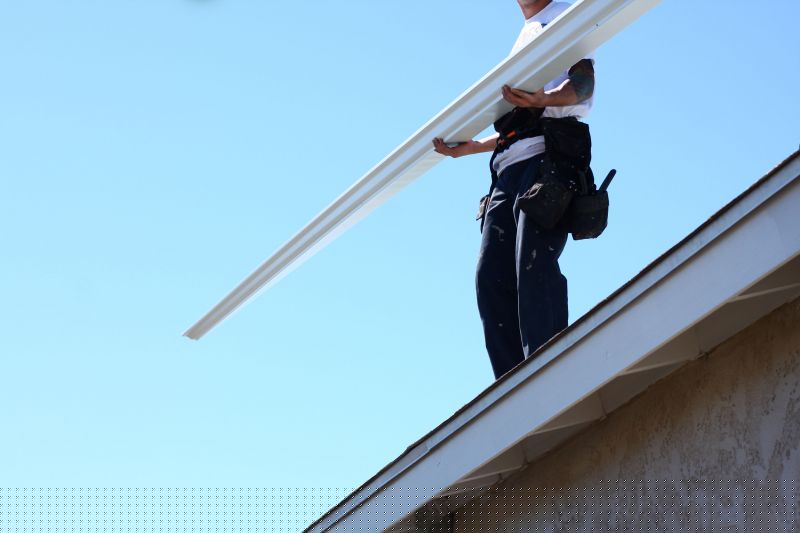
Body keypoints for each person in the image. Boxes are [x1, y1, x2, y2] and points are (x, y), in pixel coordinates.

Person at [432, 0, 596, 379]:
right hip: (508, 170)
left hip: (546, 162)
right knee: (490, 277)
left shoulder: (564, 17)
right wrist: (477, 146)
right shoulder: (525, 36)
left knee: (532, 264)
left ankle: (549, 374)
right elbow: (522, 120)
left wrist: (546, 98)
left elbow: (583, 84)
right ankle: (512, 387)